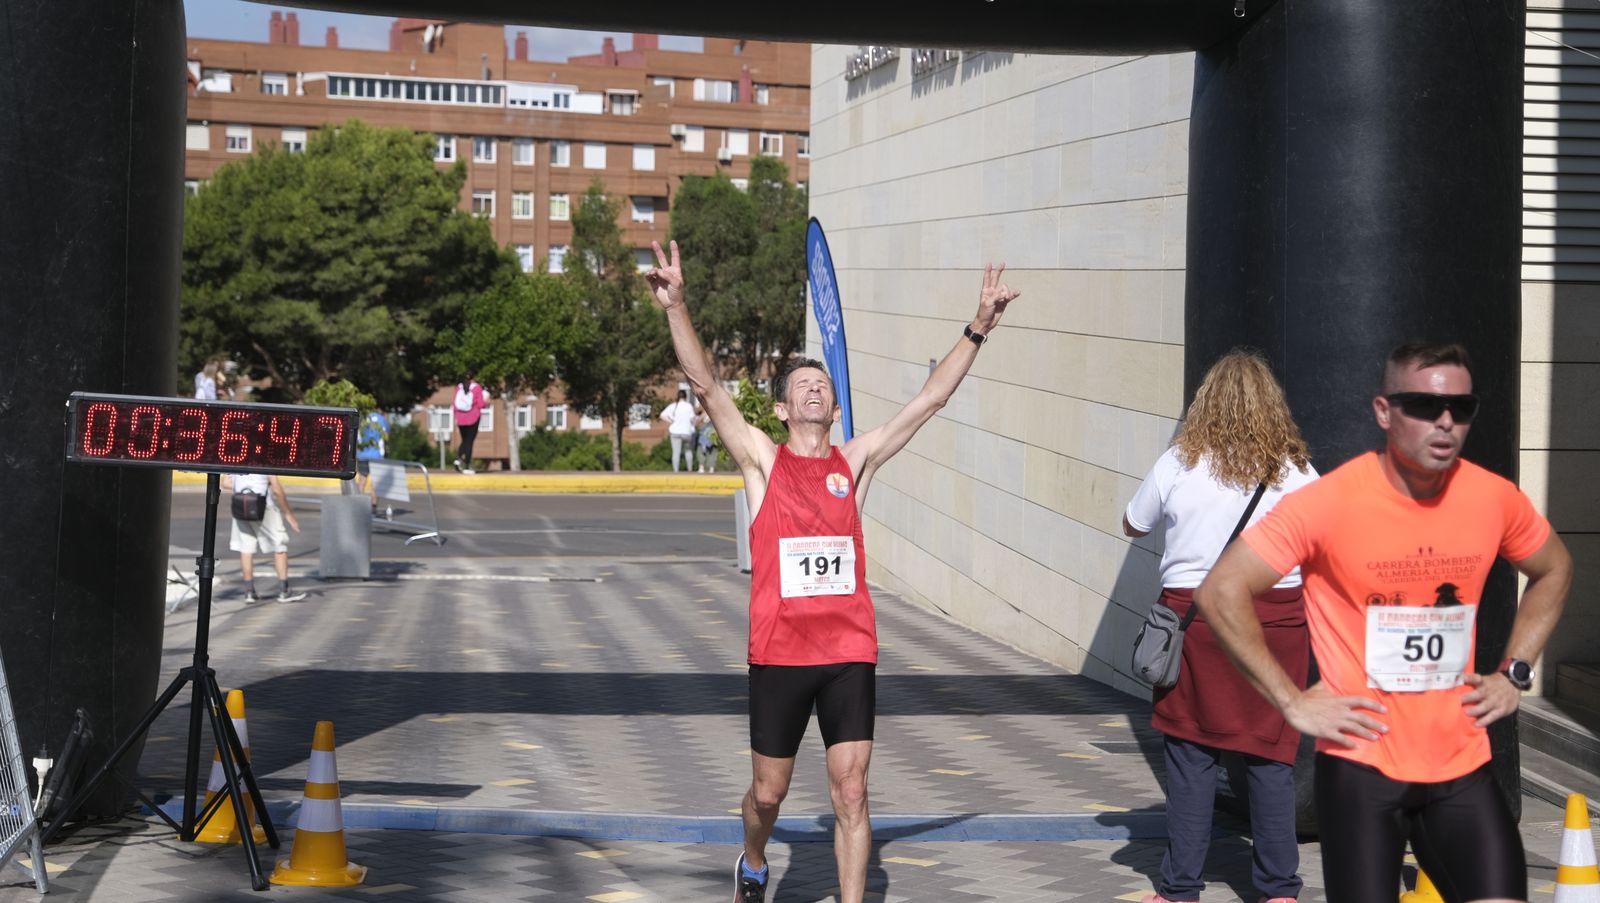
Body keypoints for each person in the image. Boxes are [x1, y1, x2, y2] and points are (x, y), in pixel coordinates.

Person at [645, 239, 1019, 903]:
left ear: (836, 407)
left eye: (823, 384)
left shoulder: (857, 461)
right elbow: (705, 384)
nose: (815, 388)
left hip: (848, 649)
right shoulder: (763, 461)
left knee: (851, 789)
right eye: (802, 386)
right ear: (784, 409)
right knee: (769, 791)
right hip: (781, 652)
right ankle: (754, 860)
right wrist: (677, 306)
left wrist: (978, 328)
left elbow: (929, 400)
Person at [1196, 342, 1573, 903]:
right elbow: (1220, 589)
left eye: (1461, 408)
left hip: (1461, 763)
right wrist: (1291, 700)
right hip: (1362, 767)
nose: (1445, 422)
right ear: (1383, 411)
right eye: (1423, 405)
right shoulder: (1329, 502)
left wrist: (1515, 672)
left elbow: (1554, 567)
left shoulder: (1492, 498)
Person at [1123, 349, 1318, 903]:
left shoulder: (1179, 463)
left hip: (1198, 624)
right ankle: (1279, 890)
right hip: (1277, 626)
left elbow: (1133, 523)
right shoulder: (1299, 472)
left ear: (1205, 403)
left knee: (1190, 758)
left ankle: (1179, 889)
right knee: (1271, 760)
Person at [223, 472, 308, 604]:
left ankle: (249, 591)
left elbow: (226, 483)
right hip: (263, 506)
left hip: (240, 505)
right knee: (280, 545)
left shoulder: (235, 456)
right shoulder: (265, 457)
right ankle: (284, 590)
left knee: (246, 548)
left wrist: (245, 483)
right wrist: (288, 513)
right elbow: (277, 489)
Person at [355, 410, 390, 510]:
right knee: (376, 482)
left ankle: (358, 505)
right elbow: (386, 436)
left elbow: (358, 437)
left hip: (362, 454)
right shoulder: (382, 419)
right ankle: (373, 506)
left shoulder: (363, 419)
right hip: (377, 455)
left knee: (362, 480)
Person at [452, 371, 486, 474]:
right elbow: (481, 404)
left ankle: (458, 459)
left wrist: (456, 417)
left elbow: (454, 404)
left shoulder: (459, 387)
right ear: (473, 377)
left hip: (461, 419)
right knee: (469, 442)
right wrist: (486, 402)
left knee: (464, 440)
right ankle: (466, 466)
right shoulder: (477, 388)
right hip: (473, 418)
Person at [660, 389, 699, 472]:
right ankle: (689, 469)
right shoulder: (688, 406)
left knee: (676, 452)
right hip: (686, 432)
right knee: (688, 451)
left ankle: (676, 470)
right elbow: (692, 419)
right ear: (686, 397)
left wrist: (671, 421)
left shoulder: (673, 406)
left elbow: (662, 415)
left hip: (675, 432)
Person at [697, 409, 718, 473]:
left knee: (701, 451)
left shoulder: (705, 413)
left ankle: (701, 467)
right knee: (713, 452)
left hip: (705, 434)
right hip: (714, 434)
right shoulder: (717, 413)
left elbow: (697, 421)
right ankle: (711, 468)